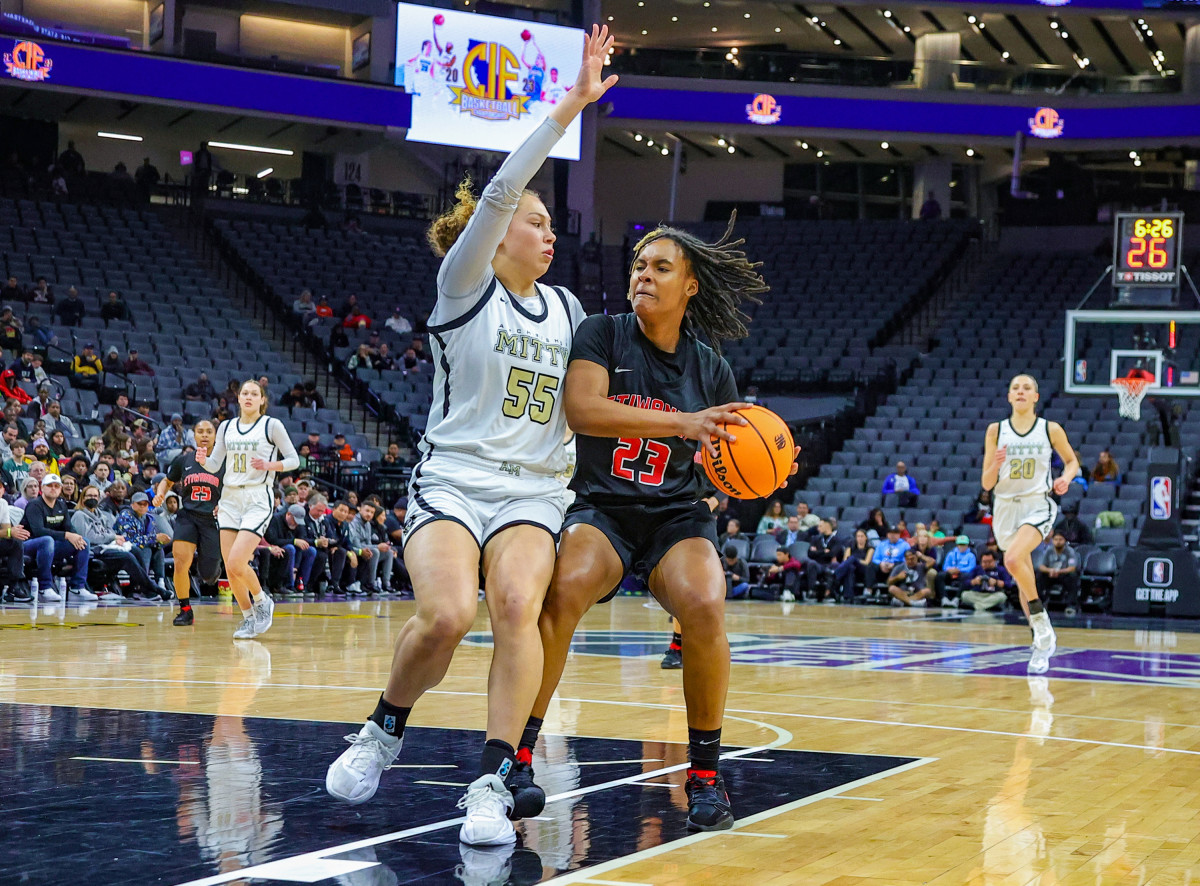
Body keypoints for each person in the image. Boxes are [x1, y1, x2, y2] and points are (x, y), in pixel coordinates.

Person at [324, 27, 609, 850]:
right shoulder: (462, 286)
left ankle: (489, 782)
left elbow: (590, 406)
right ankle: (382, 730)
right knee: (447, 614)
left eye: (553, 223)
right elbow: (499, 191)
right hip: (453, 477)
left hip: (533, 488)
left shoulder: (570, 313)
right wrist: (570, 107)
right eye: (535, 220)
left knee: (517, 606)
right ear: (498, 230)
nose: (549, 232)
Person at [520, 206, 781, 834]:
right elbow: (583, 410)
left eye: (661, 267)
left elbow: (720, 456)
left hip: (676, 515)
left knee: (705, 604)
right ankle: (519, 755)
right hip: (602, 505)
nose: (644, 275)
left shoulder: (710, 366)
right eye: (639, 265)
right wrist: (682, 423)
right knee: (565, 591)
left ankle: (704, 777)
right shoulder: (601, 334)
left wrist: (755, 464)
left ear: (689, 285)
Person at [982, 374, 1079, 674]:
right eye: (1015, 388)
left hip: (1037, 503)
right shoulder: (996, 430)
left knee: (1012, 559)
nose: (1021, 391)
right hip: (1005, 508)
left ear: (1036, 397)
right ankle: (1041, 642)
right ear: (1009, 396)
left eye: (1027, 388)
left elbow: (1072, 461)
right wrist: (996, 464)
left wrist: (1065, 478)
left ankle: (1041, 622)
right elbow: (986, 483)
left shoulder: (1050, 429)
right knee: (1022, 575)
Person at [195, 381, 299, 640]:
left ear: (262, 399)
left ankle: (263, 601)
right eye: (245, 393)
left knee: (237, 561)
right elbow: (216, 463)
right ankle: (248, 617)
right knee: (230, 568)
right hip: (229, 497)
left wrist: (269, 464)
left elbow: (294, 460)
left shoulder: (271, 425)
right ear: (238, 398)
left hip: (257, 497)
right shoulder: (227, 427)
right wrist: (203, 461)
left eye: (255, 394)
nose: (249, 397)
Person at [21, 473, 93, 601]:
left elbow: (69, 527)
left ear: (60, 489)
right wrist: (66, 535)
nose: (53, 488)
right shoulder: (34, 505)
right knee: (47, 540)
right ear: (42, 488)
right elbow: (38, 531)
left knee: (83, 542)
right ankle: (45, 587)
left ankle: (77, 588)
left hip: (51, 545)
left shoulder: (61, 504)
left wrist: (75, 536)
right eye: (49, 486)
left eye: (56, 486)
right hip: (28, 544)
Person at [1035, 530, 1081, 617]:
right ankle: (1040, 602)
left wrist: (1058, 571)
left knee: (1073, 576)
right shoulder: (1049, 550)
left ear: (1065, 541)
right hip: (1051, 574)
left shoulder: (1070, 551)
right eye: (1056, 539)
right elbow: (1041, 566)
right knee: (1039, 575)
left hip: (1064, 574)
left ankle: (1071, 605)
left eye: (1060, 539)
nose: (1058, 542)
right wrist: (1050, 571)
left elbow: (1072, 568)